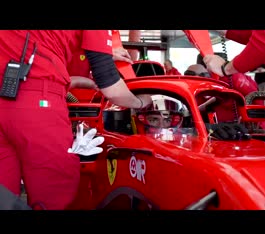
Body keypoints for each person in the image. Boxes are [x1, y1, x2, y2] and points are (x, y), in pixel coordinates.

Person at [0, 30, 152, 210]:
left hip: (9, 97)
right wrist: (142, 102)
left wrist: (100, 53)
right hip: (39, 105)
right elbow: (110, 87)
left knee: (4, 195)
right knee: (55, 190)